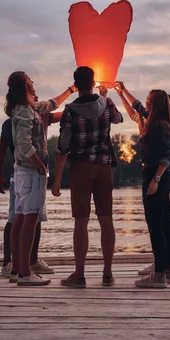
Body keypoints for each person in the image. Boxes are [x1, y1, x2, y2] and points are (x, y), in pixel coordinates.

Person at [52, 66, 123, 288]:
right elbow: (119, 119)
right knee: (106, 219)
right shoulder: (107, 104)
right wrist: (105, 97)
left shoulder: (70, 111)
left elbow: (63, 147)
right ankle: (108, 274)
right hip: (104, 167)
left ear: (76, 85)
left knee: (81, 222)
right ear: (93, 82)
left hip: (81, 168)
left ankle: (80, 275)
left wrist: (56, 180)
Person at [5, 71, 76, 286]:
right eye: (29, 79)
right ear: (25, 85)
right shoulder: (26, 112)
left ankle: (17, 270)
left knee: (19, 218)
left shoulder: (30, 108)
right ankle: (26, 273)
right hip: (30, 171)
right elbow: (24, 143)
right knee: (30, 220)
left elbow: (52, 104)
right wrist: (40, 164)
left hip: (22, 172)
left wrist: (71, 90)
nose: (33, 81)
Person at [115, 82, 170, 288]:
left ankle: (159, 274)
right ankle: (168, 269)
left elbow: (164, 157)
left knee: (156, 226)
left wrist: (155, 180)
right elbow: (135, 109)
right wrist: (121, 91)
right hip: (158, 177)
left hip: (156, 176)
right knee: (164, 224)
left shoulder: (159, 126)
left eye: (148, 100)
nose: (145, 102)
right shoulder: (156, 122)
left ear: (155, 104)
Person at [0, 112, 61, 278]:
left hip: (35, 174)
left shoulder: (38, 117)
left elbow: (59, 110)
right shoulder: (10, 123)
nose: (36, 97)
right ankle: (8, 263)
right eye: (33, 93)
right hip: (21, 174)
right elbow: (2, 150)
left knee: (35, 217)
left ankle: (32, 261)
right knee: (14, 219)